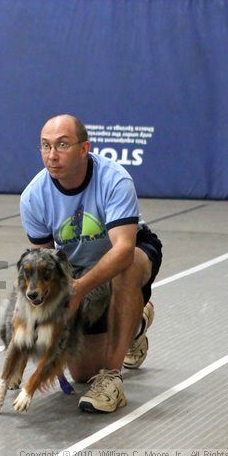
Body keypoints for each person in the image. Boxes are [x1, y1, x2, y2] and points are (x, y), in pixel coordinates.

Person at [19, 114, 162, 413]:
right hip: (77, 268)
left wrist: (80, 289)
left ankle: (112, 380)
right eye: (45, 146)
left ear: (84, 149)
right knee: (83, 374)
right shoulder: (33, 196)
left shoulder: (114, 179)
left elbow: (123, 249)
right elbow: (45, 265)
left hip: (132, 251)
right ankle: (136, 324)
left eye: (62, 145)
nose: (52, 155)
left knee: (127, 267)